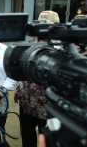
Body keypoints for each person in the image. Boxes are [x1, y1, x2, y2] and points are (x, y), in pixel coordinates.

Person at [15, 10, 59, 147]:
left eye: (48, 25)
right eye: (42, 24)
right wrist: (18, 87)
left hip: (47, 104)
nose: (44, 28)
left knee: (46, 138)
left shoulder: (61, 47)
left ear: (56, 25)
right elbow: (23, 67)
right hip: (27, 102)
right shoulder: (31, 43)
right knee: (27, 137)